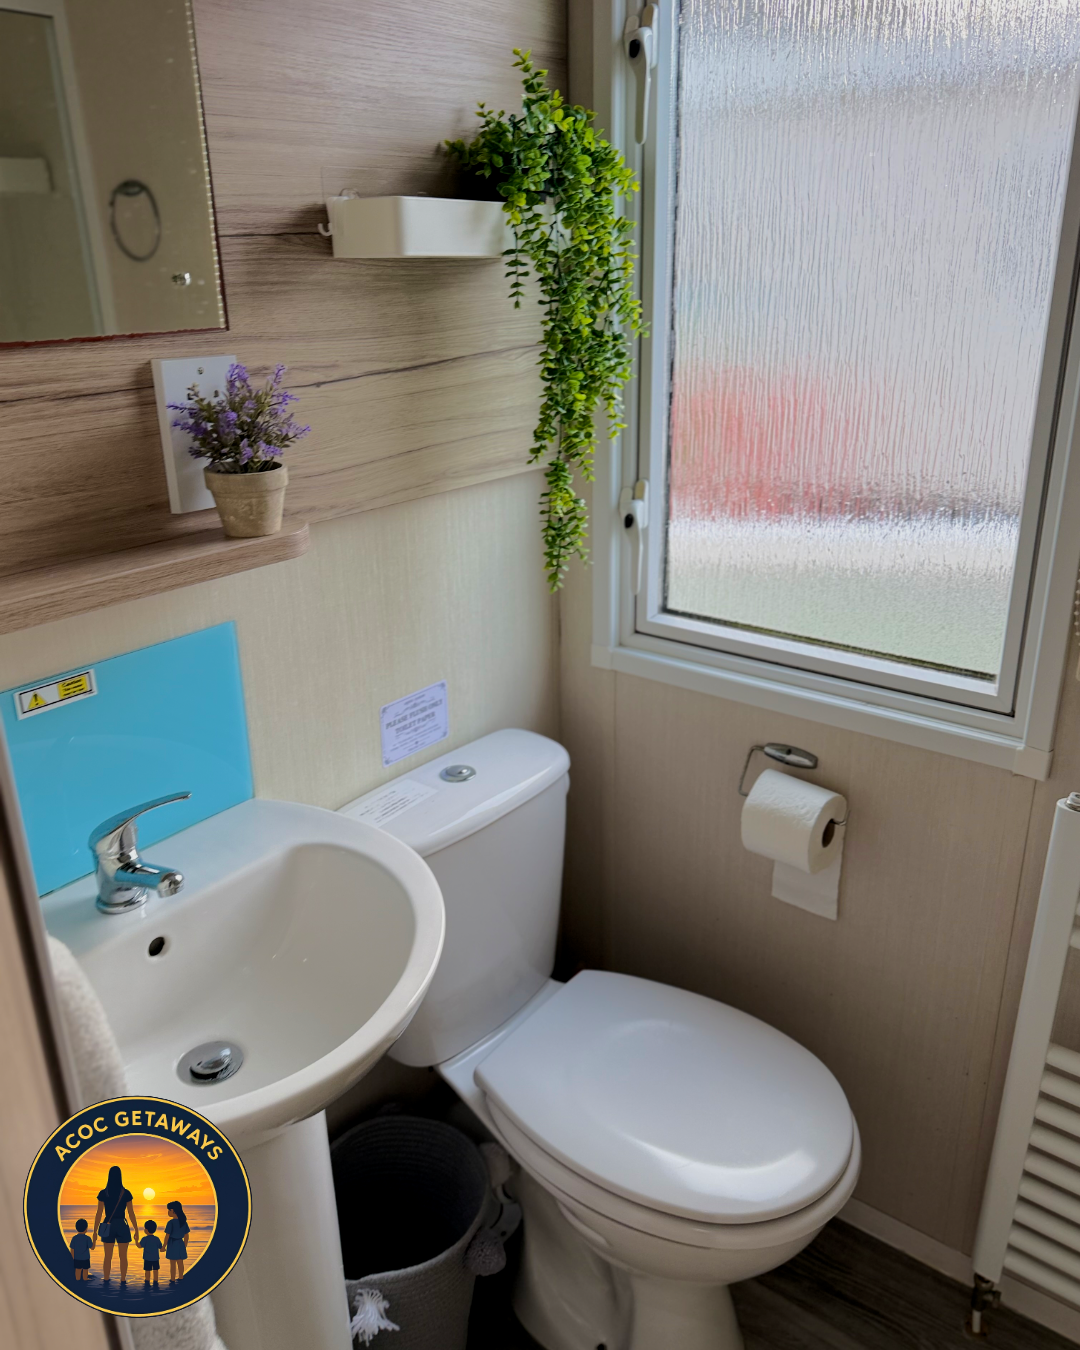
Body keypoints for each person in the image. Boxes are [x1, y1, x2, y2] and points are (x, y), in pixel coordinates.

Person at [92, 1165, 138, 1286]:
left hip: (108, 1225)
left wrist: (95, 1231)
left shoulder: (103, 1193)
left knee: (107, 1256)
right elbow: (131, 1213)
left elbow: (99, 1213)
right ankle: (123, 1280)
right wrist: (136, 1229)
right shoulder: (126, 1193)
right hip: (122, 1225)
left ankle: (106, 1279)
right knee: (123, 1256)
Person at [164, 1201, 190, 1283]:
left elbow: (167, 1235)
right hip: (180, 1243)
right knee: (180, 1262)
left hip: (172, 1243)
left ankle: (172, 1279)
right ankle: (181, 1277)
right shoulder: (183, 1222)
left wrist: (164, 1245)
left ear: (173, 1210)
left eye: (169, 1210)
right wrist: (185, 1245)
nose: (168, 1212)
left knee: (173, 1263)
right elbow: (186, 1235)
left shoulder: (171, 1222)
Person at [137, 1219, 162, 1288]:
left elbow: (139, 1246)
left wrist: (136, 1240)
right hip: (155, 1258)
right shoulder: (157, 1239)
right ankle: (156, 1281)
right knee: (155, 1270)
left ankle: (147, 1282)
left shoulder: (144, 1239)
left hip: (147, 1258)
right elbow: (160, 1247)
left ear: (146, 1230)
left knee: (147, 1271)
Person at [70, 1218, 94, 1282]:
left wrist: (73, 1258)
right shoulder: (87, 1238)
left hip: (77, 1258)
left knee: (78, 1269)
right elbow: (92, 1247)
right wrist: (94, 1240)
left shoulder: (74, 1238)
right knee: (85, 1269)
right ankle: (85, 1278)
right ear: (86, 1229)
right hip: (85, 1258)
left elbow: (72, 1249)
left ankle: (77, 1279)